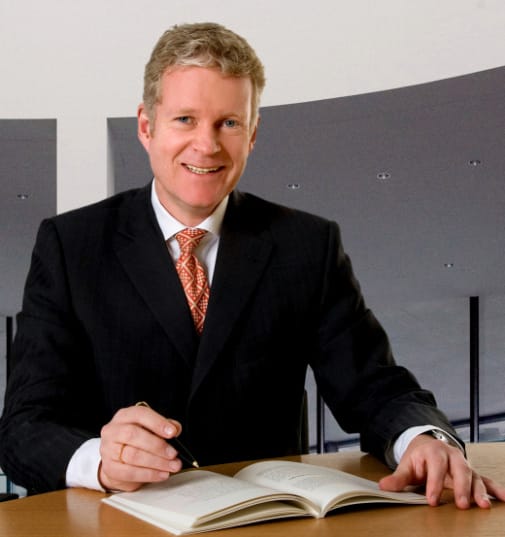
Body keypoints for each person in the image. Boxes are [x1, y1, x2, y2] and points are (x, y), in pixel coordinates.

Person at [0, 22, 503, 510]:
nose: (207, 144)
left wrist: (424, 438)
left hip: (265, 521)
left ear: (253, 134)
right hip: (117, 522)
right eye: (185, 119)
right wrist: (99, 461)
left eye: (229, 123)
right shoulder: (71, 246)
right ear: (147, 127)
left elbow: (374, 387)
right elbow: (23, 427)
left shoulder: (307, 246)